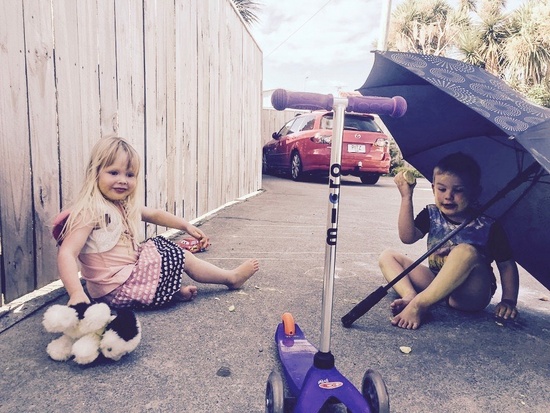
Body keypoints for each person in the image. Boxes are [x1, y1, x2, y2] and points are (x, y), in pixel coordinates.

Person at [56, 136, 259, 309]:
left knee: (162, 249)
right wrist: (76, 293)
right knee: (178, 256)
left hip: (126, 279)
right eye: (113, 173)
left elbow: (154, 214)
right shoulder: (91, 211)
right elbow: (67, 253)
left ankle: (170, 293)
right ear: (95, 173)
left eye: (130, 175)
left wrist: (185, 226)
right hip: (116, 289)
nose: (123, 180)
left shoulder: (121, 205)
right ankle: (231, 278)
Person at [378, 152, 519, 330]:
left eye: (458, 190)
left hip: (470, 294)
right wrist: (406, 197)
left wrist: (508, 300)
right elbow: (407, 237)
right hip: (435, 281)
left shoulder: (488, 225)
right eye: (442, 189)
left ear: (475, 192)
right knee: (388, 256)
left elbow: (506, 266)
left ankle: (419, 304)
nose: (448, 196)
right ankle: (409, 295)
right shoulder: (432, 214)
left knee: (465, 251)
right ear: (433, 188)